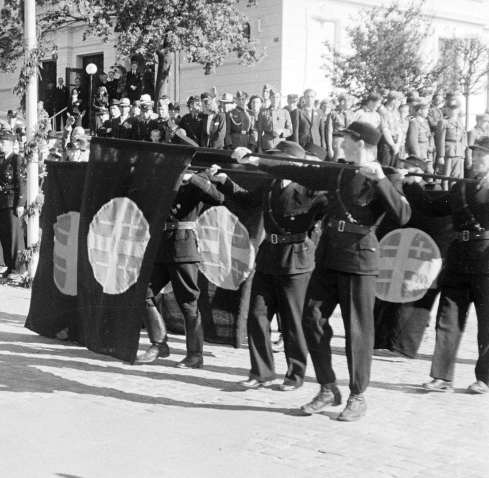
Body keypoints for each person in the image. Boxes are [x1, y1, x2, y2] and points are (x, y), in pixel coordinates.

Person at [235, 121, 411, 421]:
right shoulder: (339, 171)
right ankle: (328, 387)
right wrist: (255, 160)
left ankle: (357, 395)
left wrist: (381, 180)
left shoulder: (388, 175)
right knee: (311, 320)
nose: (340, 143)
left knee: (357, 331)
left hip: (359, 260)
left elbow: (403, 215)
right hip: (329, 257)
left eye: (346, 139)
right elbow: (299, 172)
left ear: (361, 143)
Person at [215, 141, 328, 390]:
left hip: (295, 259)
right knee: (257, 315)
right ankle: (261, 373)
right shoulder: (271, 182)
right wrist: (224, 181)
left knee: (292, 320)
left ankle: (295, 375)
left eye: (277, 158)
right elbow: (247, 200)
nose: (272, 162)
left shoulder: (310, 187)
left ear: (292, 162)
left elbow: (328, 206)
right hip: (268, 257)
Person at [407, 136, 489, 394]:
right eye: (475, 153)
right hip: (458, 258)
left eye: (483, 154)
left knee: (487, 324)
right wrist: (413, 184)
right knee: (448, 319)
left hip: (486, 261)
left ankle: (485, 379)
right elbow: (432, 207)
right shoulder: (461, 187)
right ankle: (441, 377)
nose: (476, 158)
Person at [135, 168, 224, 368]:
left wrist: (192, 178)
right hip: (161, 246)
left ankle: (195, 355)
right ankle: (159, 345)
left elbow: (218, 198)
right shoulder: (163, 178)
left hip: (184, 248)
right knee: (143, 291)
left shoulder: (197, 180)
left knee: (188, 301)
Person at [0, 132, 26, 278]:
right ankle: (9, 266)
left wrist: (20, 203)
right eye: (0, 142)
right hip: (2, 201)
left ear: (12, 144)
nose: (1, 144)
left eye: (4, 142)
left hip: (13, 202)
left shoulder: (17, 159)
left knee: (14, 237)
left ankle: (18, 268)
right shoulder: (1, 159)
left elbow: (21, 182)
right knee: (5, 236)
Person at [435, 101, 467, 190]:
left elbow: (464, 137)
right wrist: (441, 155)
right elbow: (440, 139)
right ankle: (445, 192)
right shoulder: (443, 122)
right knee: (446, 176)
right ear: (447, 109)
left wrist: (463, 154)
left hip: (458, 151)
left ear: (458, 110)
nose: (453, 111)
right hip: (448, 151)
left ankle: (453, 194)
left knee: (455, 176)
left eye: (455, 109)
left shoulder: (460, 121)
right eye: (451, 108)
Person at [326, 94, 356, 161]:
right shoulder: (333, 114)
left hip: (349, 141)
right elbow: (329, 132)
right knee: (338, 161)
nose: (351, 104)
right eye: (349, 101)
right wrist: (329, 147)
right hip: (338, 140)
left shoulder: (352, 114)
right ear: (343, 102)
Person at [377, 91, 404, 168]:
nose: (400, 103)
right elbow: (385, 130)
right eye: (399, 101)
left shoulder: (396, 112)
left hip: (396, 142)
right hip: (387, 143)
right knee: (385, 167)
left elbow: (399, 129)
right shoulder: (383, 112)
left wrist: (398, 144)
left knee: (394, 167)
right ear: (394, 100)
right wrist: (392, 145)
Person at [405, 99, 432, 171]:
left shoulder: (425, 122)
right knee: (419, 171)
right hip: (419, 150)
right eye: (426, 110)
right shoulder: (414, 122)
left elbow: (429, 135)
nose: (428, 112)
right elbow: (413, 141)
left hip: (426, 149)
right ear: (420, 111)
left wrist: (431, 146)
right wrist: (417, 155)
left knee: (428, 171)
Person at [465, 113, 489, 179]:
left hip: (483, 162)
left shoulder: (486, 132)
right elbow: (469, 148)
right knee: (473, 179)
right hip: (476, 159)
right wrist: (469, 162)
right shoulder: (473, 132)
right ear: (479, 121)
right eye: (485, 121)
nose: (486, 123)